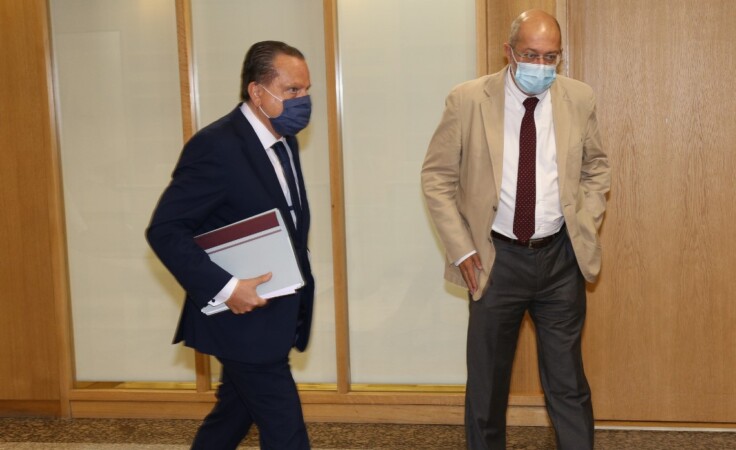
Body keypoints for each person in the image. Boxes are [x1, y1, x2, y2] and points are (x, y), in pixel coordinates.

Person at [421, 10, 610, 450]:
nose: (541, 66)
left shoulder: (579, 98)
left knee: (567, 382)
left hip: (560, 258)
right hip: (494, 260)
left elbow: (597, 167)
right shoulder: (468, 100)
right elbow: (437, 178)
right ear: (508, 52)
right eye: (531, 55)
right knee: (487, 385)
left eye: (551, 57)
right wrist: (461, 249)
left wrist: (584, 221)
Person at [146, 40, 315, 450]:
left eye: (306, 90)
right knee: (286, 433)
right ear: (258, 91)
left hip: (273, 311)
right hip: (240, 321)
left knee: (232, 417)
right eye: (292, 90)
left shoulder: (283, 140)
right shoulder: (217, 146)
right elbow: (165, 230)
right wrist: (227, 288)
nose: (303, 101)